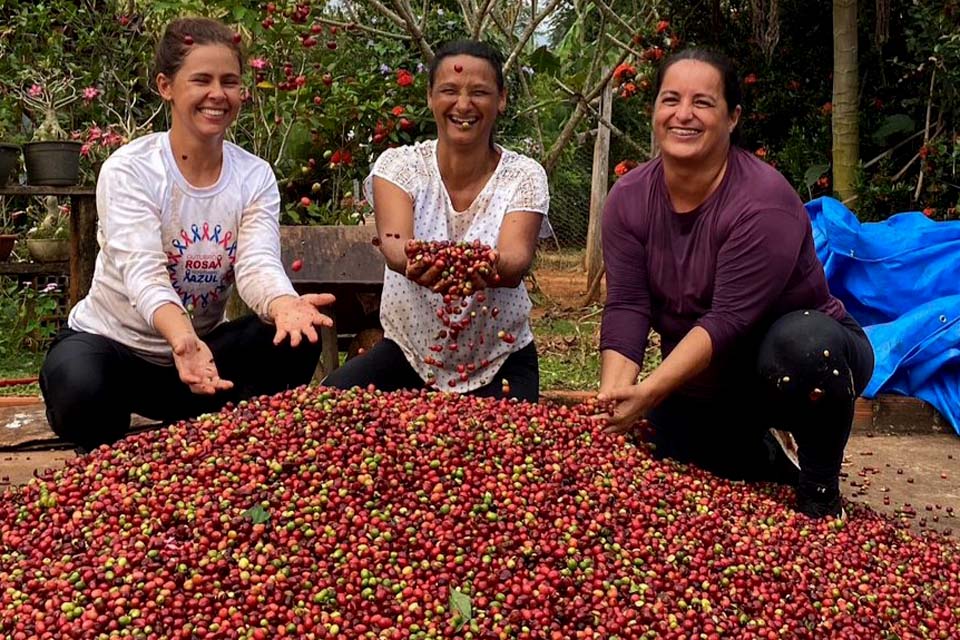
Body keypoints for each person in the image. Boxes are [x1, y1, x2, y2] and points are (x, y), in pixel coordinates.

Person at [597, 49, 875, 519]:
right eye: (670, 100)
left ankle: (820, 489)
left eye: (702, 103)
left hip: (795, 361)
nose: (683, 114)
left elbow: (729, 319)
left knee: (804, 347)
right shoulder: (628, 199)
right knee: (682, 460)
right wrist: (615, 400)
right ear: (654, 112)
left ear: (732, 117)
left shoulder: (762, 201)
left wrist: (650, 392)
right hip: (706, 378)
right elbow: (626, 305)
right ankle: (764, 454)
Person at [39, 17, 334, 451]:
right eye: (202, 80)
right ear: (166, 86)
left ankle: (215, 432)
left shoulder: (253, 175)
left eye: (229, 82)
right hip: (116, 350)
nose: (218, 94)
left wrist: (283, 303)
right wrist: (182, 340)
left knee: (294, 338)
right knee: (80, 387)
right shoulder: (131, 169)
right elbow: (143, 273)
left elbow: (256, 263)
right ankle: (105, 430)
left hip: (202, 361)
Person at [322, 40, 551, 402]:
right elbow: (396, 245)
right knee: (327, 406)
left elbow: (515, 261)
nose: (463, 105)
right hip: (409, 355)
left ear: (501, 99)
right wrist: (418, 261)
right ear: (430, 97)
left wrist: (484, 266)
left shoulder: (523, 176)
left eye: (479, 92)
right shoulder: (400, 166)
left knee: (502, 449)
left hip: (500, 356)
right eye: (449, 91)